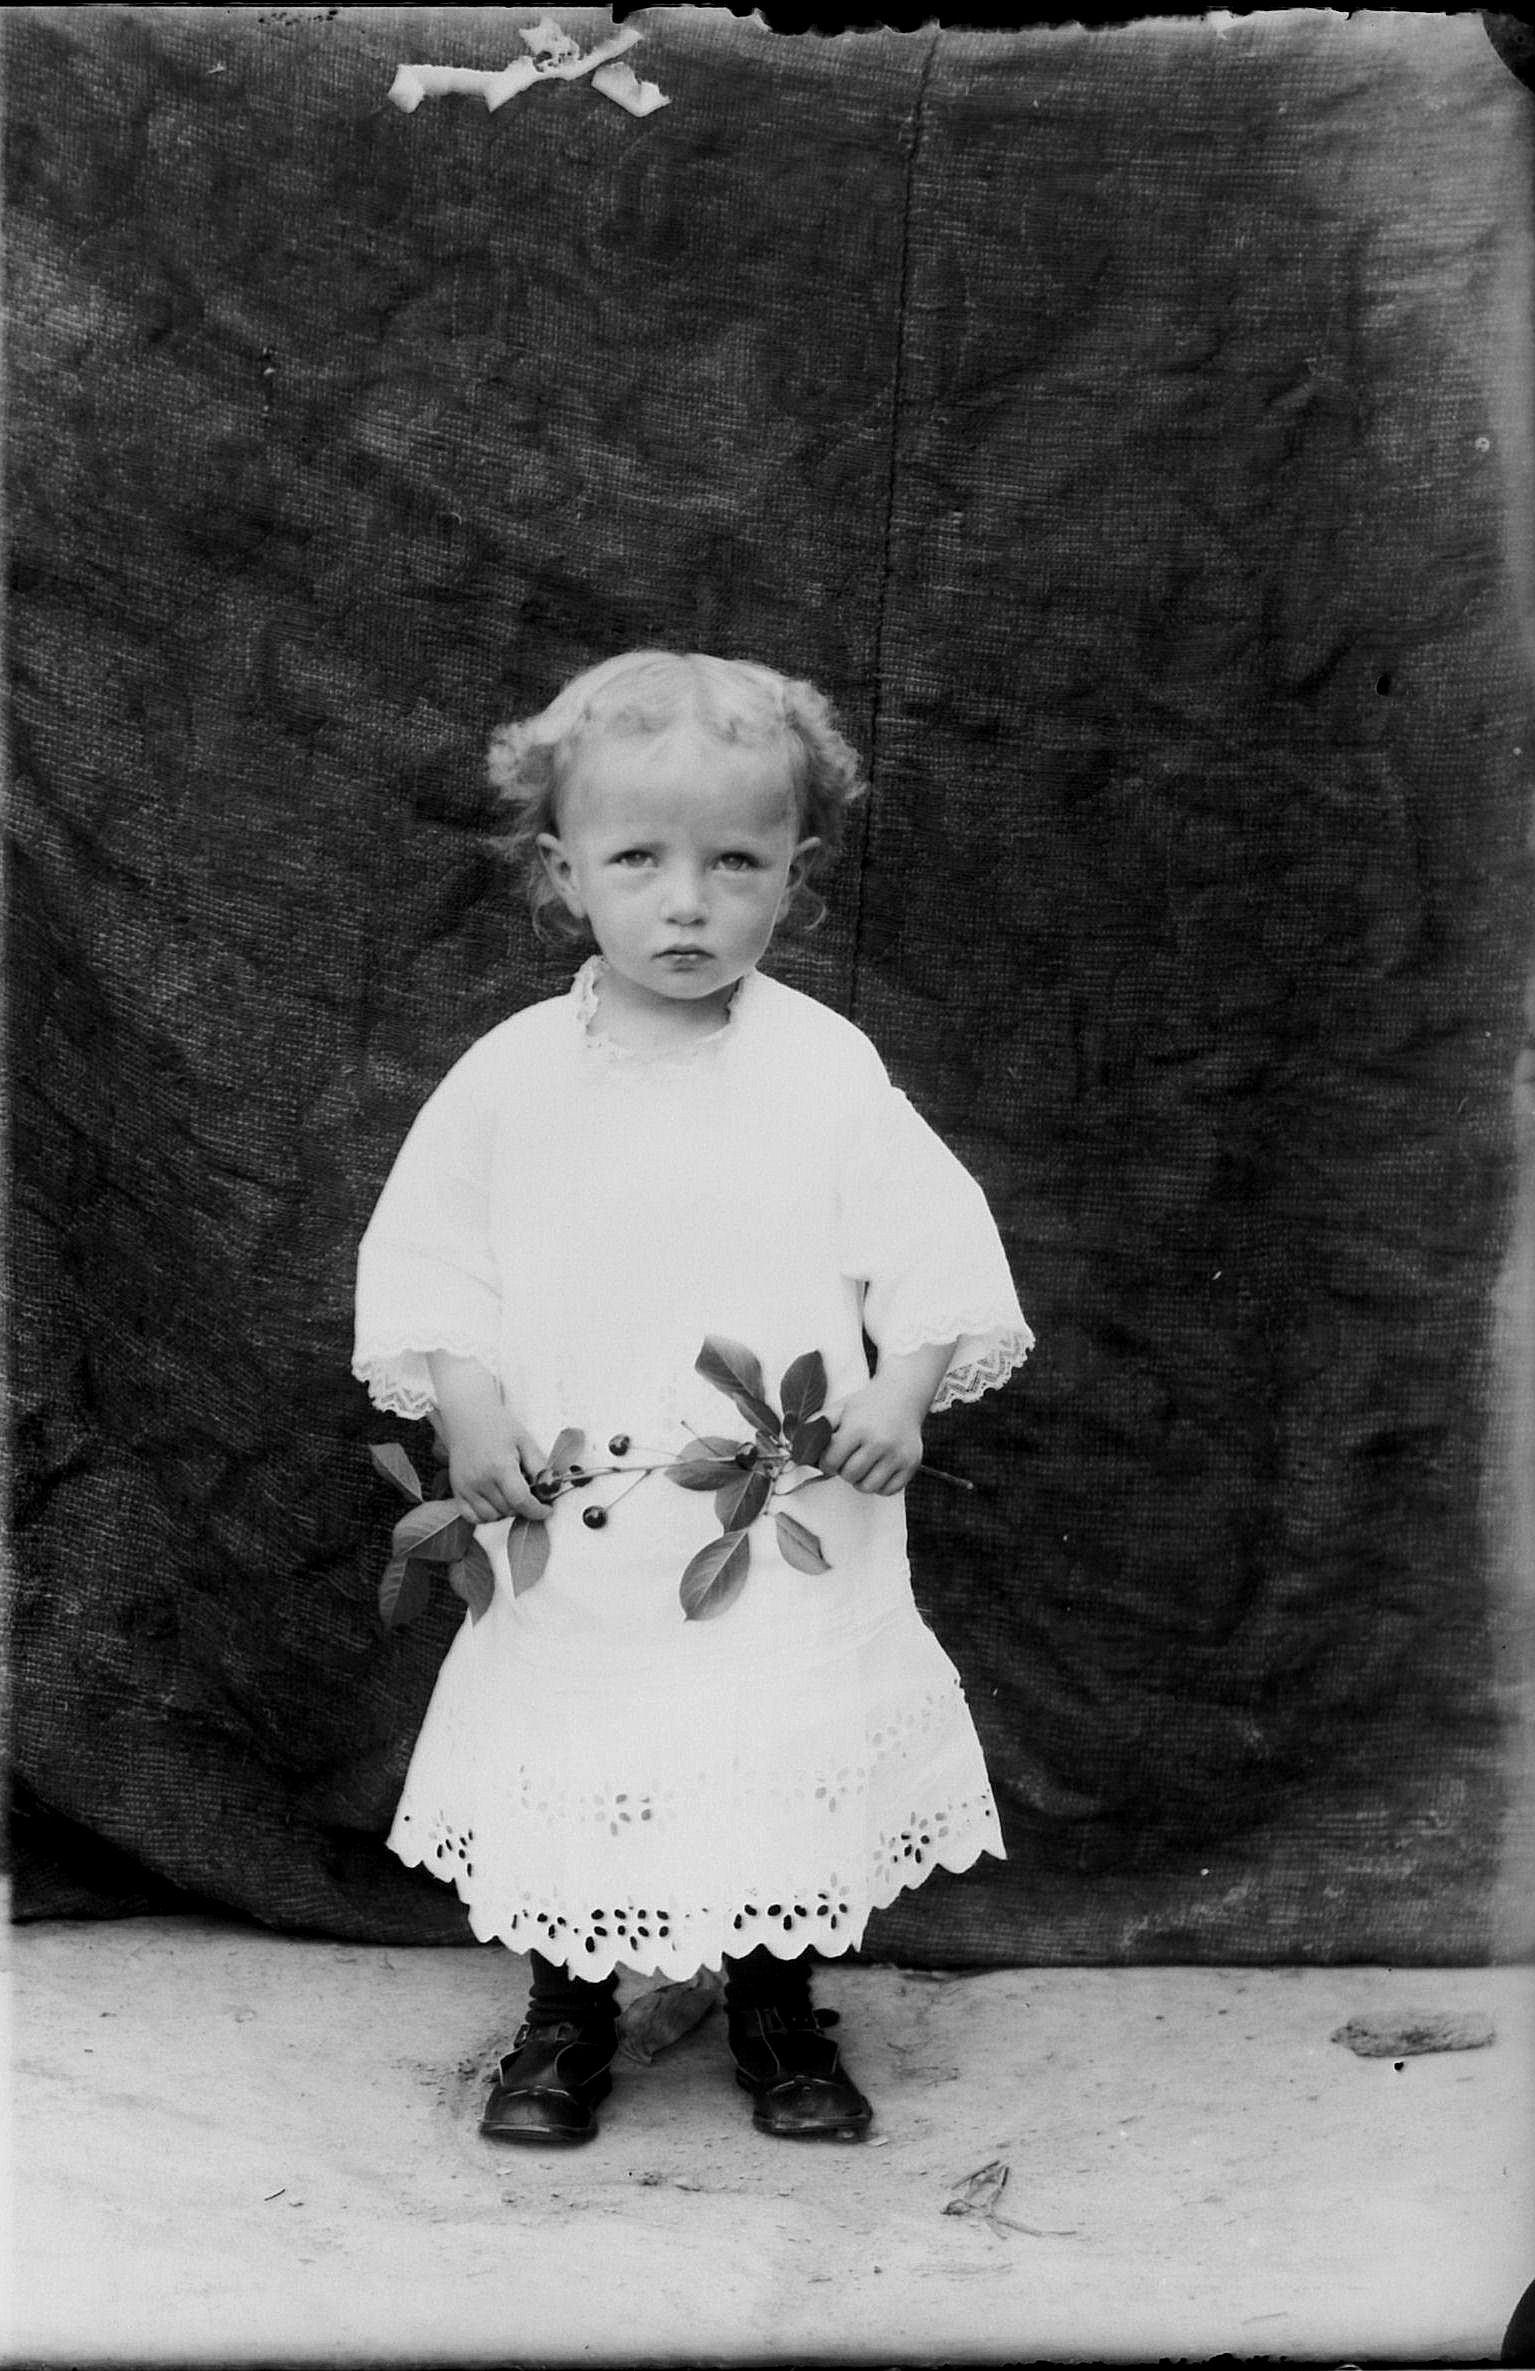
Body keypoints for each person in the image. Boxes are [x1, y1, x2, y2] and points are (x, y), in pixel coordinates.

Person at [354, 649, 1033, 2147]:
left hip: (774, 1514)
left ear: (795, 877)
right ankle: (568, 2011)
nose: (688, 903)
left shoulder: (823, 1070)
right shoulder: (514, 1077)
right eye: (639, 861)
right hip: (587, 1517)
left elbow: (935, 1245)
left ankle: (778, 2008)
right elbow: (433, 1260)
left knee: (771, 1728)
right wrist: (466, 1404)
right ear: (564, 872)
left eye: (735, 864)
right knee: (582, 1731)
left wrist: (903, 1392)